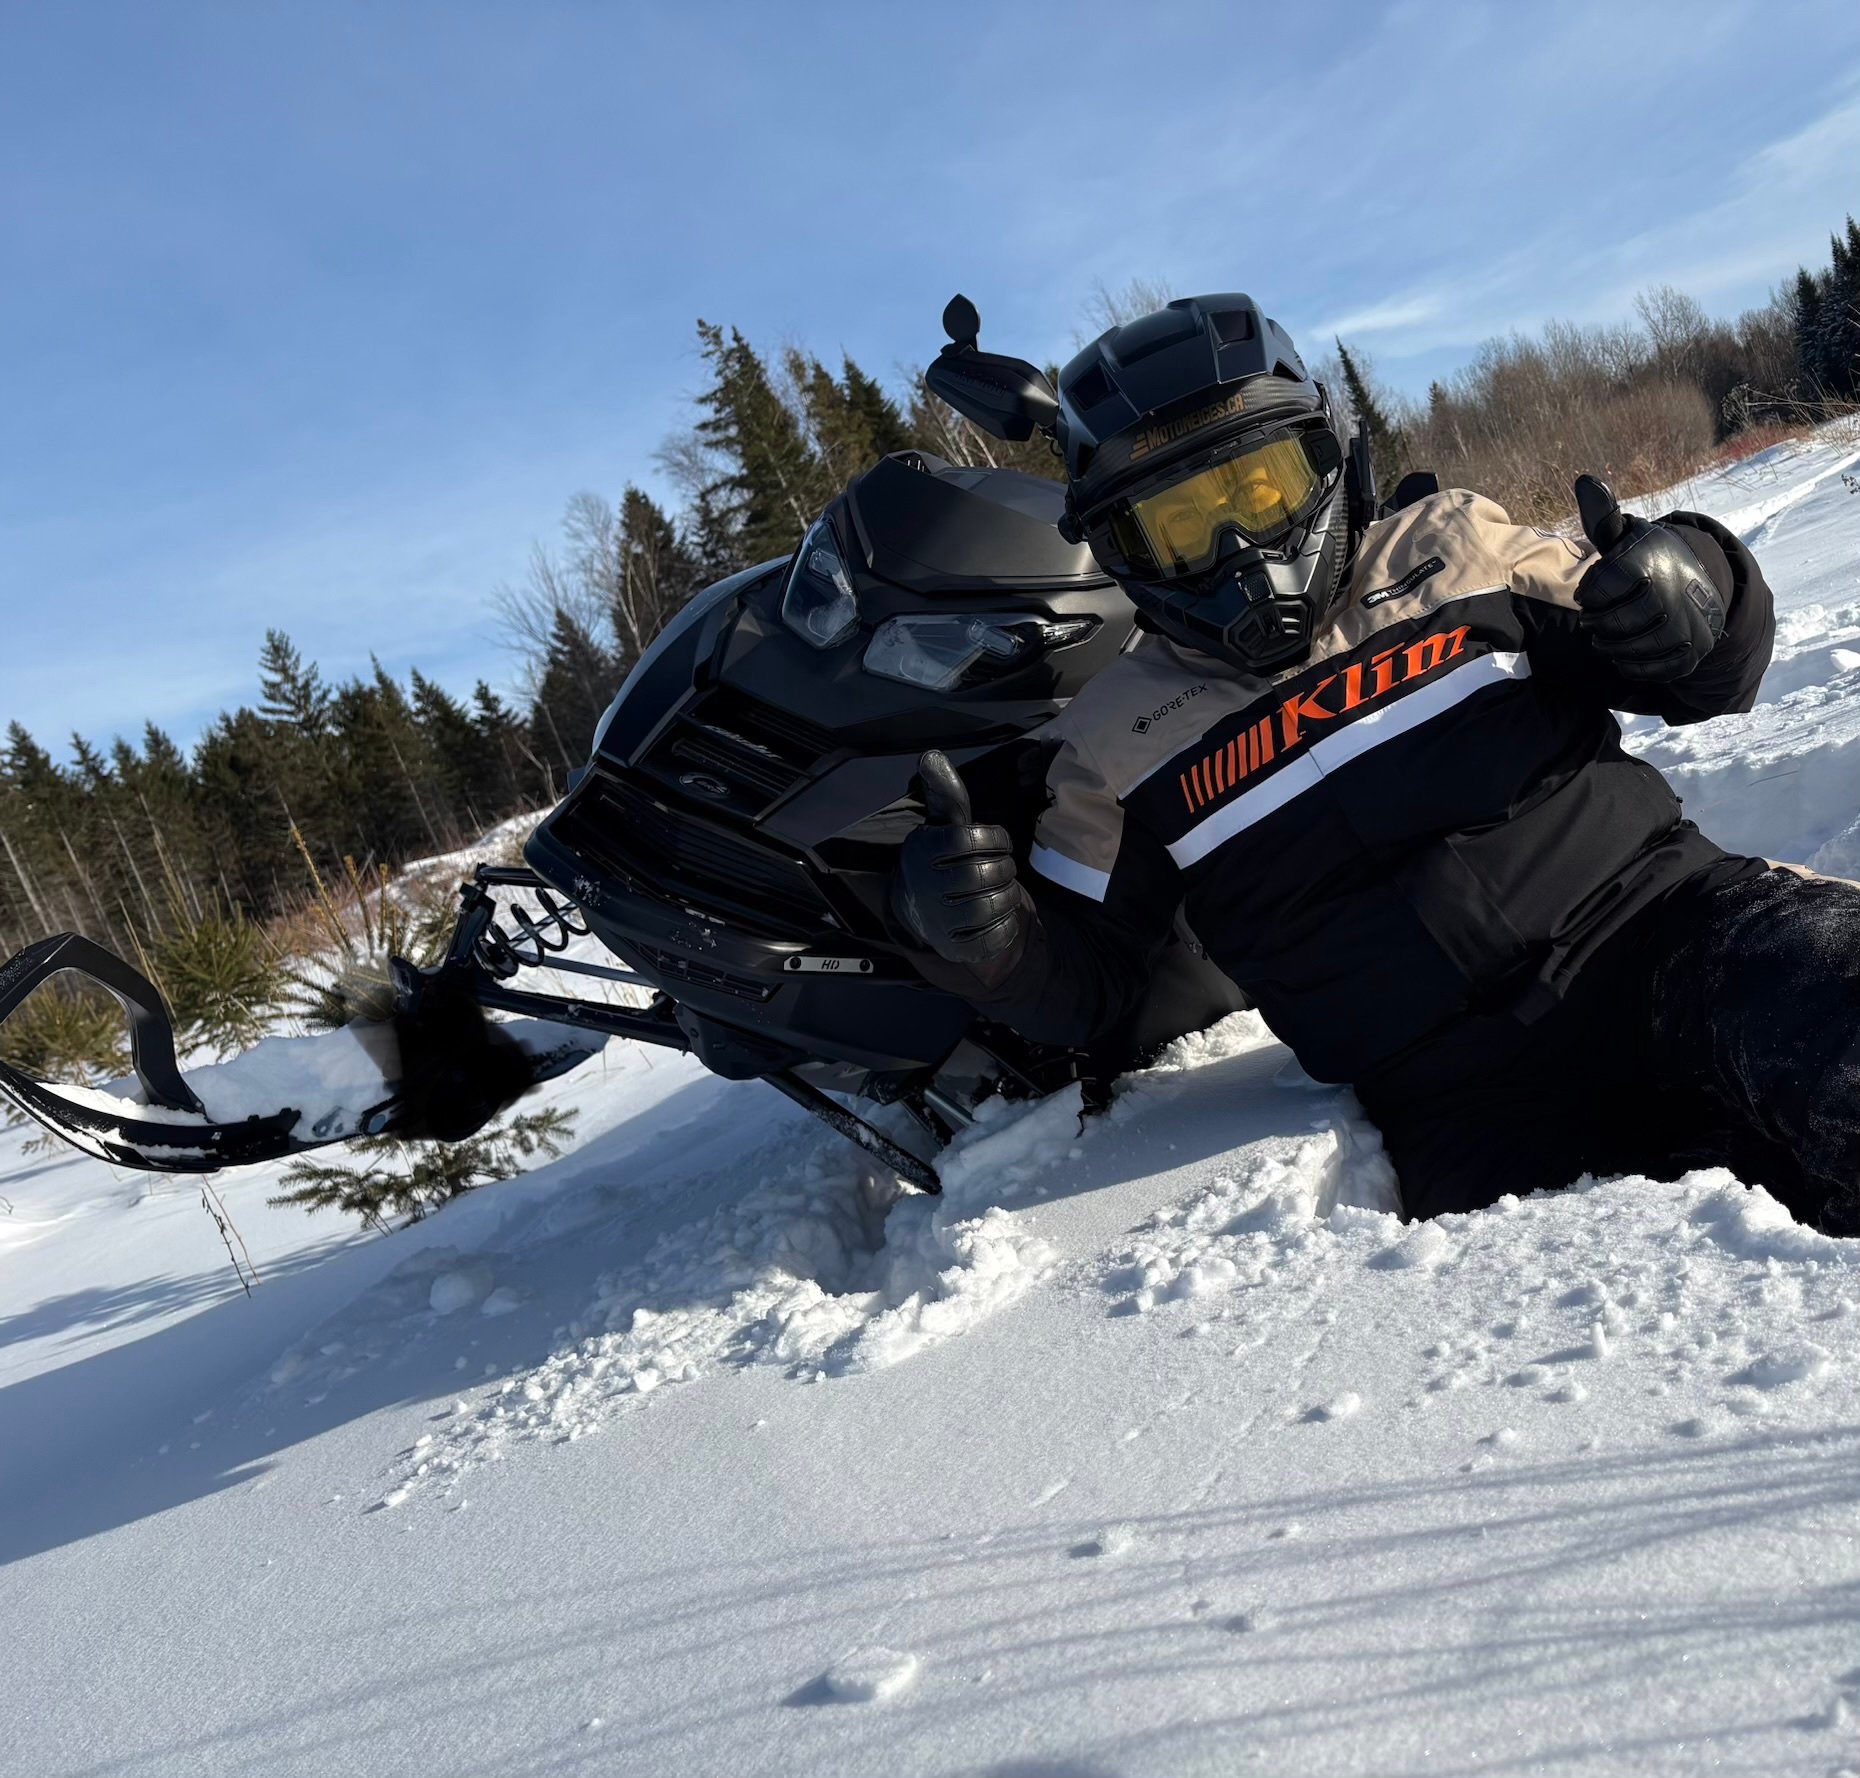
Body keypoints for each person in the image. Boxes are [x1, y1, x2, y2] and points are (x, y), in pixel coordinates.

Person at [891, 293, 1860, 1233]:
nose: (1240, 545)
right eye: (1183, 525)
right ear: (1117, 544)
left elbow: (1702, 674)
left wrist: (1698, 582)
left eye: (1260, 487)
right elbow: (1094, 986)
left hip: (1673, 935)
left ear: (1327, 458)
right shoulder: (1109, 742)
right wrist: (989, 942)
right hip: (1460, 1099)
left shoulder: (1457, 549)